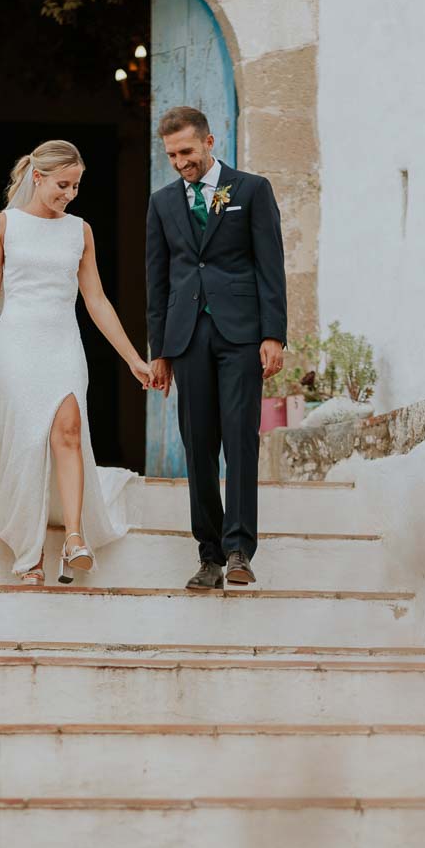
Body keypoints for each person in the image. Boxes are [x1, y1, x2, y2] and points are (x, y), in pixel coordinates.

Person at [0, 139, 152, 584]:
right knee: (25, 441)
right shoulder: (4, 224)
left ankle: (76, 538)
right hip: (17, 342)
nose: (70, 194)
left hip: (63, 342)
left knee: (68, 428)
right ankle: (29, 552)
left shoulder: (79, 230)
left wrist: (133, 358)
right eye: (63, 184)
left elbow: (96, 300)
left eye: (77, 186)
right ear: (37, 177)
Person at [145, 106, 287, 589]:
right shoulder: (162, 203)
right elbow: (158, 281)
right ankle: (208, 553)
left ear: (209, 142)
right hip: (187, 337)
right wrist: (160, 350)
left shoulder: (251, 190)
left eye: (186, 151)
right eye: (171, 155)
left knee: (240, 439)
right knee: (198, 442)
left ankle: (239, 549)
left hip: (242, 333)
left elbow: (270, 265)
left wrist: (273, 334)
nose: (180, 162)